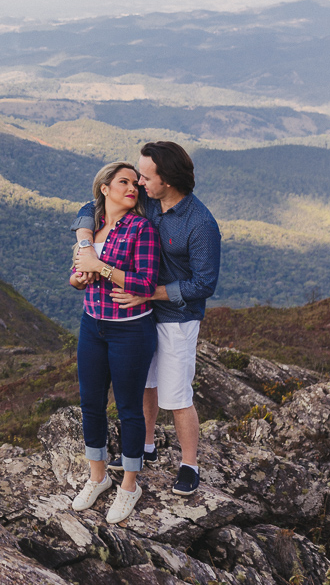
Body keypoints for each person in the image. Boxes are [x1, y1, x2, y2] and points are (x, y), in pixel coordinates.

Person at [73, 141, 221, 497]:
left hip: (176, 317)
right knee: (145, 385)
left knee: (176, 393)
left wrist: (149, 292)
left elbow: (205, 283)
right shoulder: (149, 202)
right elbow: (91, 206)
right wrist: (85, 244)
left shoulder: (200, 224)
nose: (139, 181)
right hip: (137, 315)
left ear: (167, 179)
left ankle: (189, 464)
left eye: (146, 176)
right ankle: (148, 446)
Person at [68, 161, 160, 524]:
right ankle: (98, 477)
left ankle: (129, 486)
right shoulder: (92, 230)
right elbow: (76, 276)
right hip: (92, 325)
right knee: (90, 403)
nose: (132, 187)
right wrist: (79, 277)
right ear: (104, 188)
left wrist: (100, 266)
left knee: (128, 409)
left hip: (130, 331)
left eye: (135, 183)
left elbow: (145, 284)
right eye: (123, 181)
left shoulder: (142, 229)